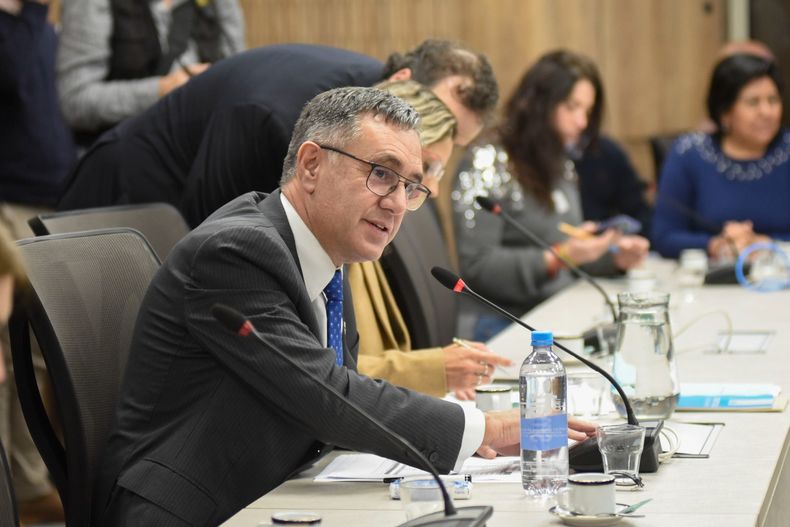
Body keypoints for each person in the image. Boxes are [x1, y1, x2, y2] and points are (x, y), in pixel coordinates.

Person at [92, 87, 596, 525]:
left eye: (410, 186)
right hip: (195, 509)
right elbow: (327, 395)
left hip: (277, 490)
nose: (398, 203)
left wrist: (468, 438)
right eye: (382, 174)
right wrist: (488, 427)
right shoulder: (237, 253)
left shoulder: (325, 255)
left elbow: (334, 396)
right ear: (311, 164)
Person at [57, 40, 499, 227]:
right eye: (434, 117)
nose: (430, 153)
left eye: (450, 140)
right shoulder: (276, 117)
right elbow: (216, 237)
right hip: (121, 206)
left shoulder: (366, 106)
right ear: (401, 78)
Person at [452, 50, 649, 340]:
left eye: (588, 111)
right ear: (540, 103)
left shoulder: (558, 161)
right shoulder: (487, 160)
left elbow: (562, 253)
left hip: (554, 312)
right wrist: (559, 257)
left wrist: (612, 256)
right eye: (573, 107)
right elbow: (478, 267)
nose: (582, 122)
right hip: (499, 322)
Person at [350, 81, 512, 400]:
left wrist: (442, 373)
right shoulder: (348, 237)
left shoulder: (376, 235)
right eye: (427, 168)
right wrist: (434, 370)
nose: (432, 188)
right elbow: (330, 374)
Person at [0, 0, 72, 521]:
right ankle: (12, 486)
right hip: (8, 197)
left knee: (37, 351)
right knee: (4, 349)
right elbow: (17, 74)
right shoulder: (20, 29)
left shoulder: (38, 27)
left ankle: (27, 482)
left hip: (50, 199)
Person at [651, 53, 790, 259]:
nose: (766, 112)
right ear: (725, 112)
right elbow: (663, 236)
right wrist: (715, 245)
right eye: (753, 102)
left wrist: (766, 244)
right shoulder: (689, 153)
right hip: (708, 281)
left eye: (773, 100)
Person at [56, 0, 245, 142]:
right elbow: (75, 100)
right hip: (127, 162)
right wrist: (165, 89)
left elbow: (238, 74)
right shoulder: (91, 4)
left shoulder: (216, 5)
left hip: (200, 155)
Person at [573, 134, 653, 238]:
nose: (581, 122)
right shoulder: (550, 162)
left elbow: (639, 212)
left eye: (587, 116)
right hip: (566, 245)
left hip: (610, 242)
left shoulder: (606, 151)